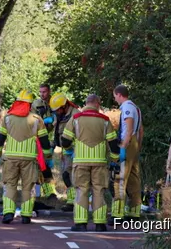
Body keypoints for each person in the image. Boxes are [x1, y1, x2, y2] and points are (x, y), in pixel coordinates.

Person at [61, 94, 120, 232]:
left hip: (80, 162)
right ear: (98, 104)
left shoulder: (75, 118)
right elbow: (113, 144)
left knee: (81, 191)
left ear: (86, 103)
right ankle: (100, 224)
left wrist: (70, 149)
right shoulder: (105, 121)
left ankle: (81, 223)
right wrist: (115, 159)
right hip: (99, 162)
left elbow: (65, 140)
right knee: (99, 191)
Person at [0, 89, 52, 225]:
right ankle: (26, 215)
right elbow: (44, 141)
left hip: (11, 158)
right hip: (30, 159)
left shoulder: (8, 118)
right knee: (28, 186)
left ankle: (8, 212)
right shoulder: (37, 119)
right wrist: (48, 157)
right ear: (31, 104)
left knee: (10, 185)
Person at [111, 84, 143, 221]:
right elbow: (141, 130)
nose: (115, 100)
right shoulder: (136, 107)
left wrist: (124, 146)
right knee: (133, 178)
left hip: (127, 142)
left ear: (119, 94)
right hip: (134, 143)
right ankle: (134, 211)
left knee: (120, 177)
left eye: (115, 97)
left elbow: (128, 127)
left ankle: (118, 213)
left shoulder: (127, 108)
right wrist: (138, 146)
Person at [49, 92, 80, 211]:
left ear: (64, 106)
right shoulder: (60, 115)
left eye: (58, 109)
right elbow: (57, 131)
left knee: (71, 175)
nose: (56, 112)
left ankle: (74, 202)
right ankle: (72, 199)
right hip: (65, 150)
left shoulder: (75, 114)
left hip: (75, 150)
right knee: (66, 175)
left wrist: (73, 149)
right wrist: (52, 146)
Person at [31, 83, 58, 205]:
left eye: (44, 92)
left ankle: (50, 192)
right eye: (40, 92)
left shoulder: (55, 103)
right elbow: (32, 119)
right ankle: (37, 193)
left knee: (46, 166)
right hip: (38, 138)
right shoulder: (36, 104)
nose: (42, 94)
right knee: (37, 165)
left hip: (51, 139)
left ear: (49, 91)